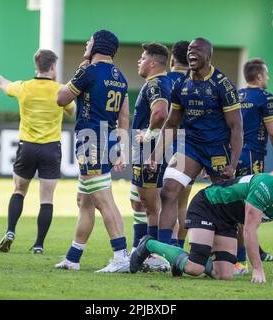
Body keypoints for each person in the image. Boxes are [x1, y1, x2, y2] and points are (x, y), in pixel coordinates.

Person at [131, 173, 273, 284]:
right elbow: (248, 230)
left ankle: (181, 259)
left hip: (226, 221)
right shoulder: (266, 187)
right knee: (195, 269)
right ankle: (148, 244)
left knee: (224, 276)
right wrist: (257, 268)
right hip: (207, 207)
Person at [0, 49, 75, 254]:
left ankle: (11, 230)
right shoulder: (61, 91)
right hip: (51, 148)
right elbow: (74, 112)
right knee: (46, 198)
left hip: (27, 147)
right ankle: (39, 245)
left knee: (19, 190)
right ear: (52, 67)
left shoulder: (24, 87)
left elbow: (0, 83)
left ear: (37, 66)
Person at [148, 37, 243, 245]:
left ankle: (238, 258)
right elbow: (172, 123)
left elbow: (236, 127)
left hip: (217, 148)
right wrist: (154, 155)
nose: (192, 53)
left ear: (208, 55)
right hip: (190, 147)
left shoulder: (223, 85)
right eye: (190, 50)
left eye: (197, 50)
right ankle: (165, 251)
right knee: (168, 191)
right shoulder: (181, 84)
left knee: (227, 201)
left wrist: (233, 163)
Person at [54, 30, 130, 273]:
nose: (86, 43)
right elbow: (124, 117)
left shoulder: (89, 71)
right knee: (84, 201)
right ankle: (73, 258)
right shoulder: (120, 77)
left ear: (97, 45)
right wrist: (119, 147)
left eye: (89, 40)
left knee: (103, 200)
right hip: (106, 138)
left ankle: (121, 256)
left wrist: (79, 69)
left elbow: (61, 98)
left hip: (91, 140)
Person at [233, 58, 273, 274]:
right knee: (248, 209)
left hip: (231, 155)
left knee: (230, 204)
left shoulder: (236, 95)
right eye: (266, 74)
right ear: (259, 76)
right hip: (251, 156)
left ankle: (231, 256)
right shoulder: (265, 97)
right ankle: (240, 262)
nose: (267, 77)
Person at [129, 42, 171, 272]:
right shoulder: (160, 82)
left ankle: (151, 254)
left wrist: (147, 135)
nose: (139, 61)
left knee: (150, 205)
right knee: (138, 201)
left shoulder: (156, 83)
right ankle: (138, 248)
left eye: (142, 57)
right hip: (148, 149)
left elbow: (160, 113)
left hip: (150, 151)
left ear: (153, 63)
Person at [166, 40, 191, 249]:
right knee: (182, 204)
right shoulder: (195, 83)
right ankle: (179, 248)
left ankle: (162, 247)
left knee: (163, 203)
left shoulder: (163, 81)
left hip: (164, 147)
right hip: (188, 152)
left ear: (172, 59)